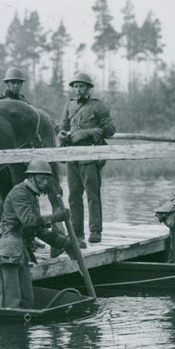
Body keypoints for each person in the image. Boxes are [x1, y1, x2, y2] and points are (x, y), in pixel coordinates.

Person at [0, 161, 73, 309]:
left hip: (22, 251)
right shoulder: (19, 193)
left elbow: (38, 230)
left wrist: (63, 242)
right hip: (9, 250)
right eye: (41, 178)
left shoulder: (32, 195)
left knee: (27, 301)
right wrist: (55, 217)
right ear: (31, 177)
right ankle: (8, 331)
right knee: (11, 302)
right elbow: (30, 222)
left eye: (47, 179)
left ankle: (23, 331)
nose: (44, 183)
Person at [58, 71, 115, 247]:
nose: (78, 90)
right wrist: (61, 134)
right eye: (75, 86)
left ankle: (95, 231)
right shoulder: (69, 105)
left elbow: (110, 129)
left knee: (93, 195)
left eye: (81, 86)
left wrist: (86, 133)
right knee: (74, 196)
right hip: (73, 157)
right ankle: (76, 233)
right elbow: (62, 126)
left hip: (90, 157)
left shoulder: (98, 106)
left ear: (88, 88)